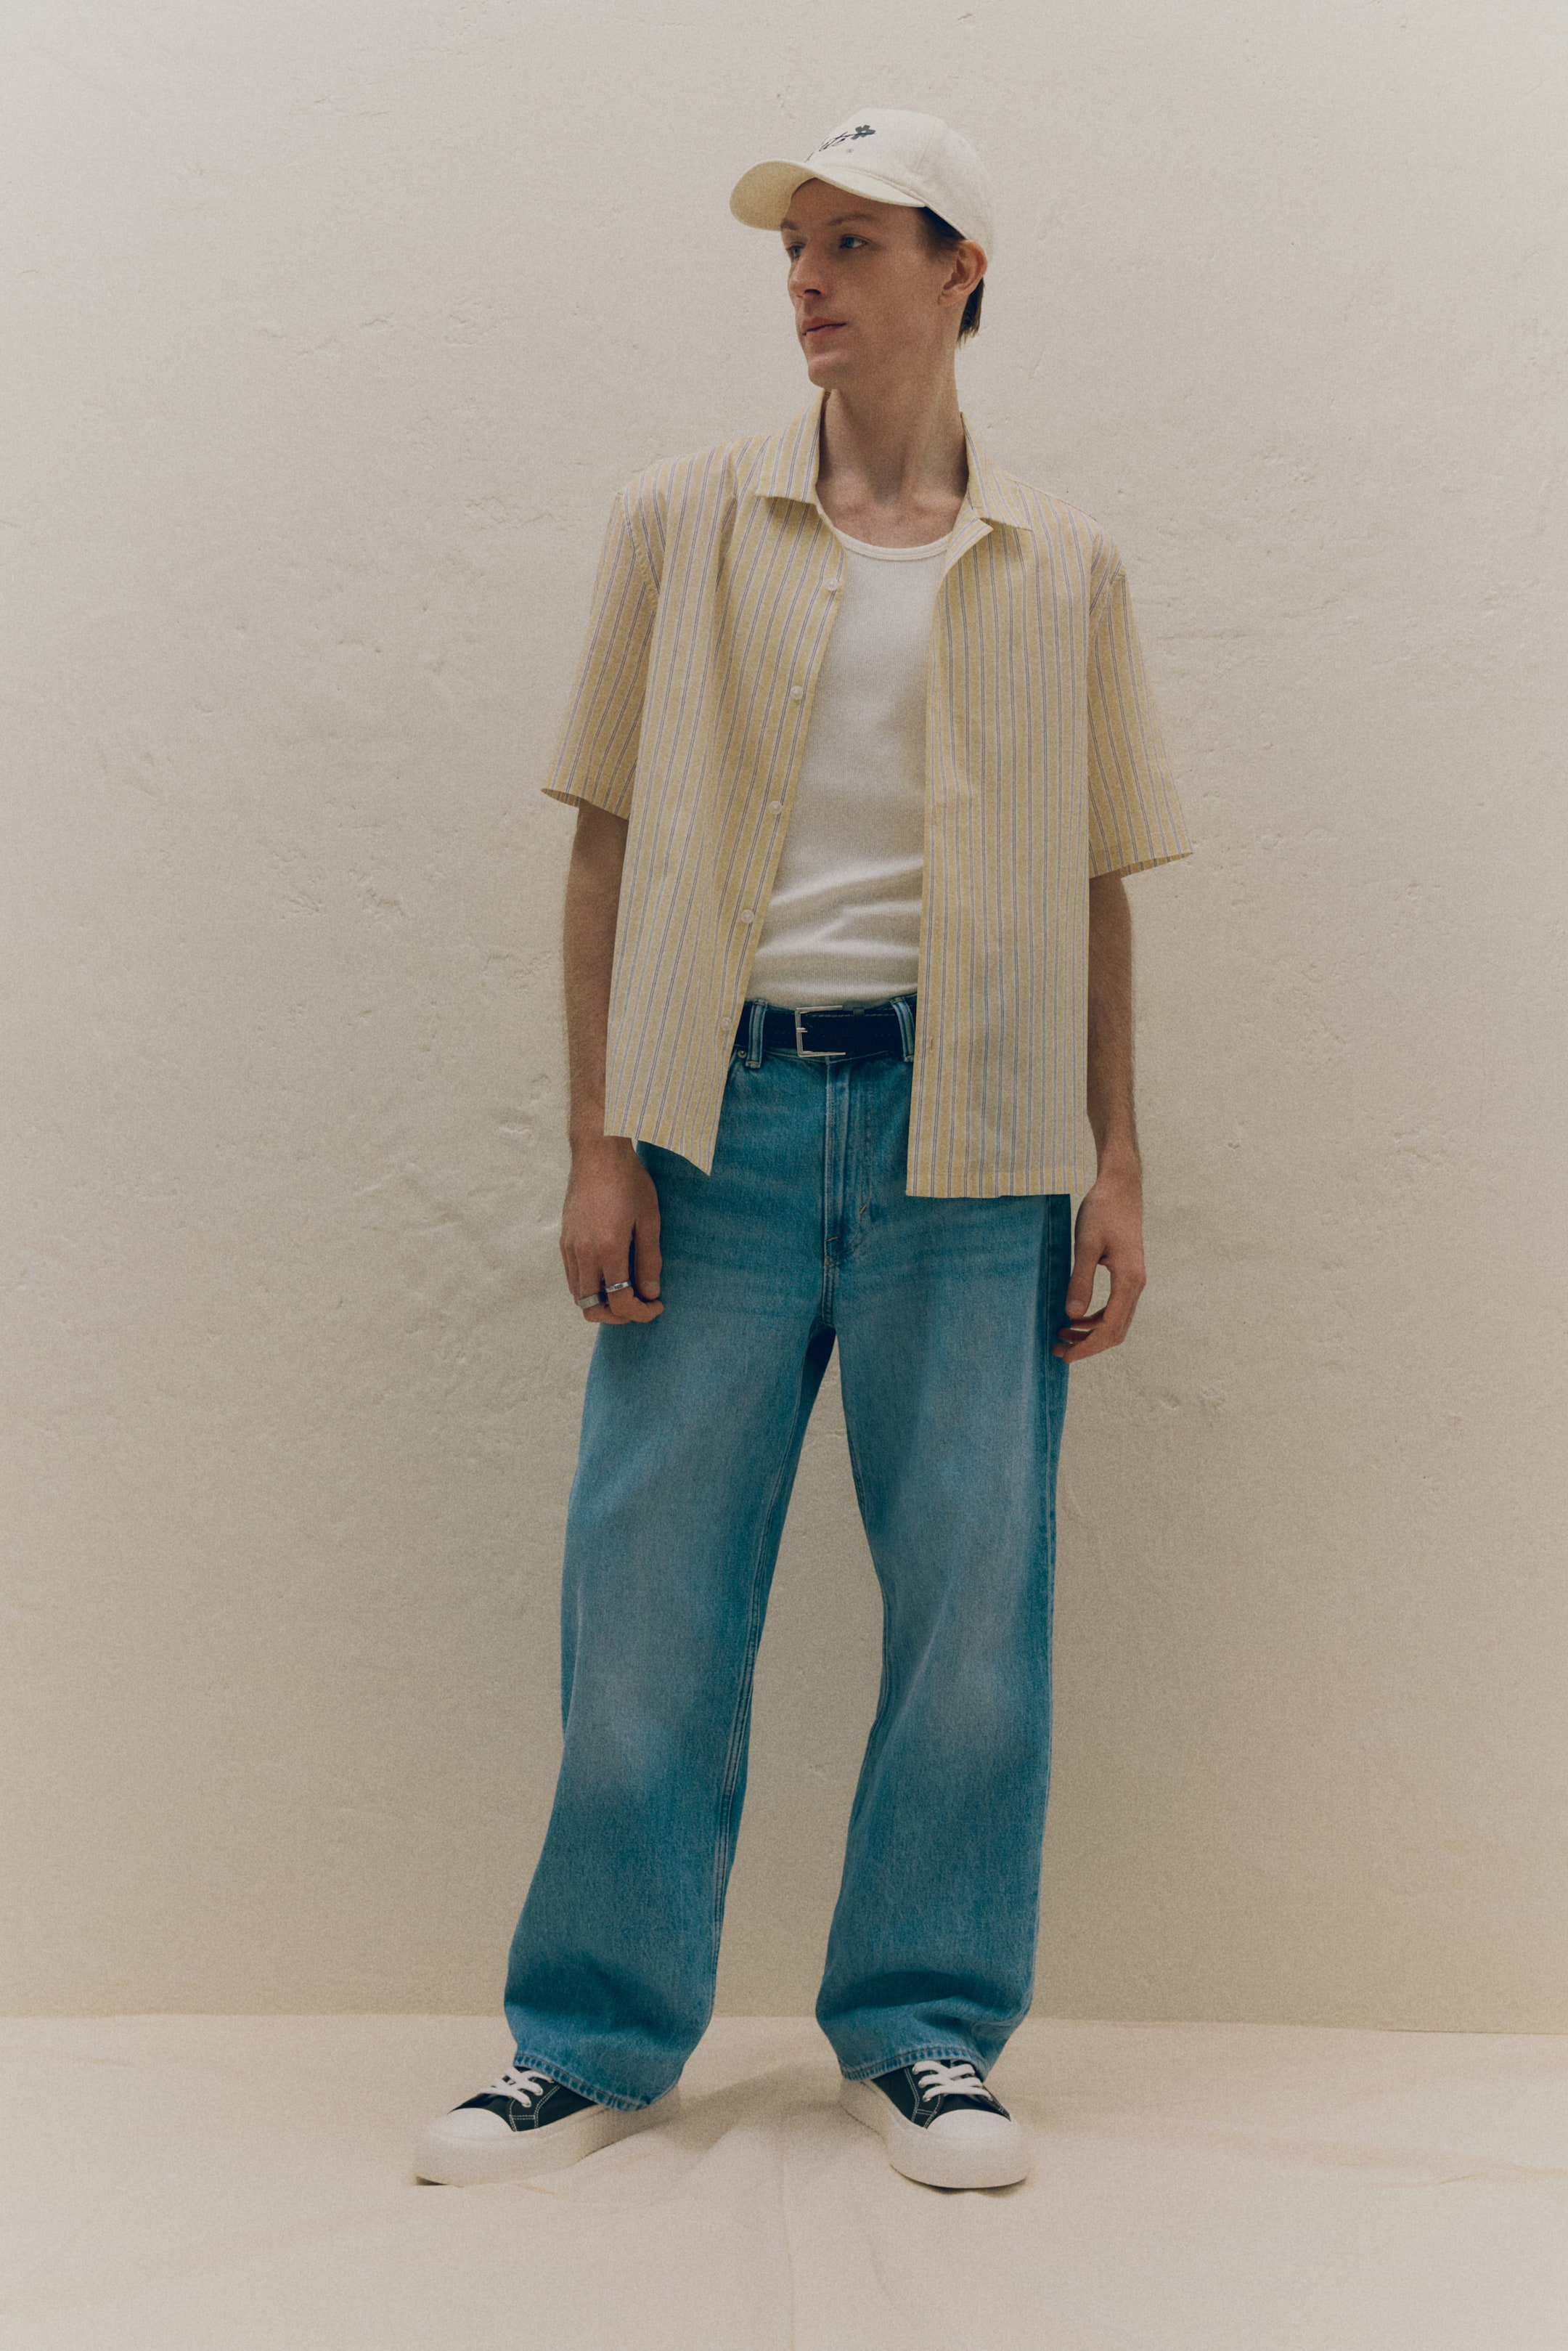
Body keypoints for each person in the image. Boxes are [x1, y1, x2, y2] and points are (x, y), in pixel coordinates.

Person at [416, 105, 1192, 2194]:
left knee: (973, 1615)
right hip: (719, 1128)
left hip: (979, 1138)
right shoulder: (682, 522)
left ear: (962, 269)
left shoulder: (1062, 569)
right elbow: (604, 848)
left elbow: (1098, 885)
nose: (809, 277)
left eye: (854, 241)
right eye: (795, 245)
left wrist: (1118, 1165)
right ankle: (592, 2040)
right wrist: (600, 1140)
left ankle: (923, 2031)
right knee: (648, 1602)